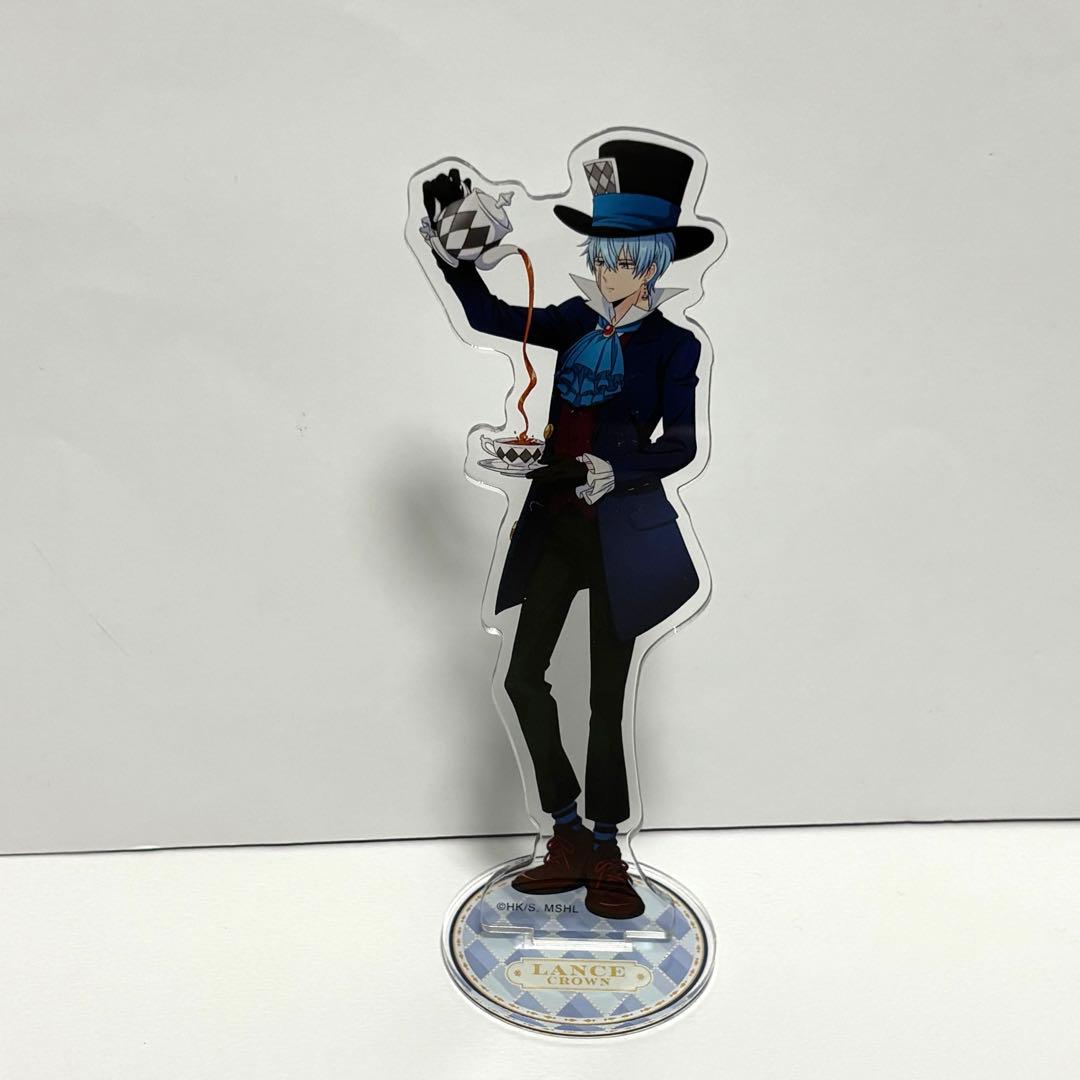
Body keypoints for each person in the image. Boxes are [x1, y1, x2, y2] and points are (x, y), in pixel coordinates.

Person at [422, 140, 713, 920]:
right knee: (522, 678)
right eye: (601, 255)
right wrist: (452, 253)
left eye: (622, 259)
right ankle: (565, 830)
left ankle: (609, 848)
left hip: (624, 539)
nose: (607, 270)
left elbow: (683, 443)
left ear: (653, 263)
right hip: (554, 523)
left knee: (607, 701)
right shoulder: (575, 321)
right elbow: (490, 316)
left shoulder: (675, 346)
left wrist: (623, 470)